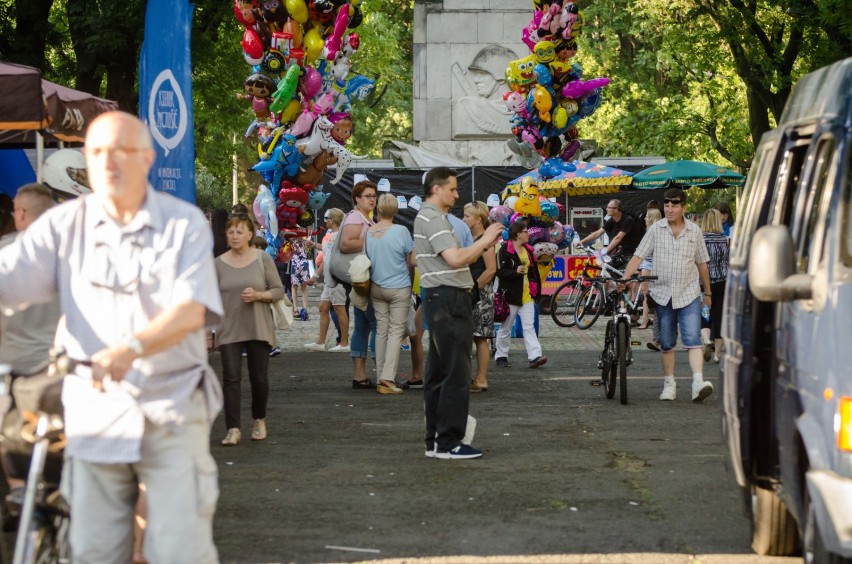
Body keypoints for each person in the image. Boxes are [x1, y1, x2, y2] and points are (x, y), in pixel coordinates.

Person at [0, 111, 222, 563]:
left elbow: (191, 309)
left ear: (147, 158)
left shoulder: (184, 224)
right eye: (97, 152)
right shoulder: (64, 225)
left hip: (170, 407)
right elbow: (9, 281)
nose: (108, 162)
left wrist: (133, 348)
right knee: (93, 552)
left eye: (120, 151)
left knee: (178, 549)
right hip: (94, 415)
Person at [414, 167, 503, 460]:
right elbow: (455, 259)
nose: (456, 194)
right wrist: (485, 239)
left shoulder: (427, 216)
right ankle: (449, 442)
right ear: (437, 189)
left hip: (440, 296)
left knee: (440, 371)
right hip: (449, 298)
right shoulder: (435, 219)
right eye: (452, 188)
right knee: (455, 372)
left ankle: (436, 441)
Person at [621, 188, 714, 403]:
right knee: (666, 342)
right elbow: (638, 255)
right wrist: (625, 279)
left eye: (674, 205)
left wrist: (707, 292)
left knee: (692, 338)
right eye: (667, 205)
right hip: (662, 293)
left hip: (689, 292)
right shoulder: (655, 230)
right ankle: (669, 383)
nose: (670, 209)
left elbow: (702, 263)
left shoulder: (694, 231)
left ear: (684, 207)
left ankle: (698, 382)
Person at [0, 183, 60, 489]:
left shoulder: (5, 252)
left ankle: (18, 496)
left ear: (21, 213)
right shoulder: (68, 256)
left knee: (12, 444)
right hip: (55, 370)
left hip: (12, 369)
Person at [215, 214, 285, 446]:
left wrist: (259, 295)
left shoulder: (262, 258)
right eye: (230, 232)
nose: (234, 236)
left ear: (249, 235)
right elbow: (210, 298)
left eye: (239, 231)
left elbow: (278, 290)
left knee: (258, 378)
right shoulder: (218, 263)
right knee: (231, 378)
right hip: (229, 327)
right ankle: (233, 428)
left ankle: (258, 419)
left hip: (258, 325)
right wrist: (208, 330)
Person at [366, 194, 416, 394]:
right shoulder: (402, 231)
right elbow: (410, 261)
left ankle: (380, 377)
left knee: (381, 331)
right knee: (396, 331)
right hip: (399, 286)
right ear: (395, 211)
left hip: (376, 287)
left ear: (378, 210)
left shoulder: (369, 232)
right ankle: (387, 378)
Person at [339, 180, 378, 389]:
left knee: (362, 327)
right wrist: (374, 241)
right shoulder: (355, 217)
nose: (372, 199)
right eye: (367, 196)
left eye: (373, 195)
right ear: (357, 198)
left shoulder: (364, 218)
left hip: (361, 278)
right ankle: (383, 375)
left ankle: (360, 376)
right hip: (362, 278)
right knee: (377, 325)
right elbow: (346, 243)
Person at [494, 220, 547, 370]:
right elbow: (500, 272)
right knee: (506, 327)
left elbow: (534, 273)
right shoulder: (505, 250)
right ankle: (501, 356)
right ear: (518, 234)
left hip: (526, 295)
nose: (528, 234)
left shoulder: (529, 251)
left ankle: (535, 356)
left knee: (529, 327)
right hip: (509, 295)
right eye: (525, 231)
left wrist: (536, 291)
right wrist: (515, 272)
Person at [305, 208, 350, 352]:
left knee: (339, 308)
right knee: (323, 308)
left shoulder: (340, 235)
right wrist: (314, 245)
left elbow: (331, 255)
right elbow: (326, 254)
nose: (325, 221)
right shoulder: (332, 236)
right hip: (329, 280)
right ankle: (321, 341)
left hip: (337, 279)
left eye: (326, 218)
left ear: (332, 220)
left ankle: (344, 343)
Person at [464, 201, 497, 392]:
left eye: (467, 216)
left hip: (480, 293)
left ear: (478, 219)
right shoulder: (473, 238)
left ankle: (481, 378)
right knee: (473, 336)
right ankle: (472, 377)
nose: (464, 219)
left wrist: (473, 288)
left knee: (480, 337)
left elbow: (491, 270)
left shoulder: (485, 240)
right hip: (473, 290)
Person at [576, 199, 643, 270]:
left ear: (616, 209)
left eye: (609, 207)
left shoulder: (627, 220)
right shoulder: (612, 220)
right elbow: (597, 233)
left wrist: (604, 252)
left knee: (625, 273)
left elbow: (618, 238)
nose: (606, 209)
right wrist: (582, 241)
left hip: (635, 250)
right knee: (605, 266)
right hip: (625, 249)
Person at [700, 208, 729, 363]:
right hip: (723, 282)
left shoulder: (701, 239)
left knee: (705, 313)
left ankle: (706, 340)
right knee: (719, 316)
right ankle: (718, 354)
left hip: (705, 283)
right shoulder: (725, 239)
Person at [637, 208, 662, 331]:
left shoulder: (653, 232)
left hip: (650, 264)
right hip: (652, 263)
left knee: (646, 292)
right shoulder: (656, 231)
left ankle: (645, 318)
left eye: (647, 217)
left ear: (651, 218)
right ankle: (646, 318)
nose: (645, 219)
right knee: (648, 292)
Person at [289, 236, 314, 320]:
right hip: (303, 263)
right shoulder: (305, 239)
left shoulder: (291, 239)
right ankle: (305, 309)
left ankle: (295, 309)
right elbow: (309, 250)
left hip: (295, 263)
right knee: (304, 289)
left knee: (294, 287)